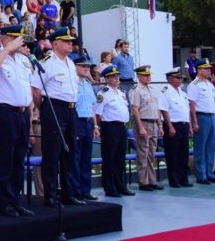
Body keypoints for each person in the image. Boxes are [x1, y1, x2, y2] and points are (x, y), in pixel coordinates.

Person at [0, 25, 35, 217]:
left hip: (23, 113)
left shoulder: (23, 60)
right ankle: (4, 201)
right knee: (6, 157)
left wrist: (29, 121)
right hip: (5, 112)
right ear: (6, 40)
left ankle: (16, 200)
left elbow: (28, 89)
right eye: (16, 38)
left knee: (19, 158)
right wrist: (6, 50)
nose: (20, 41)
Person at [30, 27, 84, 207]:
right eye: (66, 41)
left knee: (70, 152)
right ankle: (51, 195)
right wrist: (45, 109)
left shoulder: (70, 62)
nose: (70, 43)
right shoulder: (47, 62)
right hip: (54, 108)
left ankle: (68, 193)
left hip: (71, 110)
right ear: (55, 44)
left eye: (71, 41)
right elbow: (35, 90)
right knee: (52, 153)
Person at [94, 65, 134, 197]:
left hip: (122, 127)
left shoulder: (121, 92)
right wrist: (101, 128)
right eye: (113, 76)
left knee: (120, 158)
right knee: (110, 158)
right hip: (110, 127)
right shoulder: (103, 93)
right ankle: (110, 187)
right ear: (106, 79)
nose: (117, 78)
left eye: (117, 76)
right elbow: (98, 114)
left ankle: (120, 185)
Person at [187, 58, 215, 184]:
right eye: (206, 69)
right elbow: (192, 104)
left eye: (208, 69)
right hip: (201, 116)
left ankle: (209, 172)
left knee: (210, 146)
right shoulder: (194, 85)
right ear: (199, 70)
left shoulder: (209, 84)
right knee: (200, 146)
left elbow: (212, 104)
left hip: (211, 116)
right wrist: (195, 122)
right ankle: (201, 175)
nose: (209, 71)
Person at [128, 65, 163, 191]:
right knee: (143, 153)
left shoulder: (152, 89)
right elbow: (135, 109)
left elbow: (156, 109)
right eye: (145, 75)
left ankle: (151, 180)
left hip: (153, 122)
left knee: (151, 154)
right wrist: (141, 127)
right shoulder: (136, 90)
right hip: (143, 122)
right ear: (139, 76)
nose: (148, 77)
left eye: (149, 75)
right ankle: (143, 182)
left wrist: (160, 125)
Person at [70, 57, 99, 201]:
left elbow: (92, 106)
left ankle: (86, 190)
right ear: (75, 67)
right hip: (77, 121)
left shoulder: (87, 84)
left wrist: (95, 125)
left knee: (86, 158)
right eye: (83, 66)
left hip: (87, 121)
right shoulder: (72, 83)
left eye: (88, 67)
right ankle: (76, 191)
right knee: (76, 158)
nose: (86, 69)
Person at [159, 67, 193, 188]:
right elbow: (164, 110)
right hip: (173, 125)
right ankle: (174, 180)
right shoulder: (165, 91)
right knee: (172, 154)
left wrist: (189, 126)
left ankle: (184, 179)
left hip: (183, 125)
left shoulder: (183, 93)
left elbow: (186, 111)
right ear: (170, 79)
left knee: (183, 153)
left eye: (180, 78)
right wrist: (170, 126)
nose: (180, 80)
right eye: (177, 78)